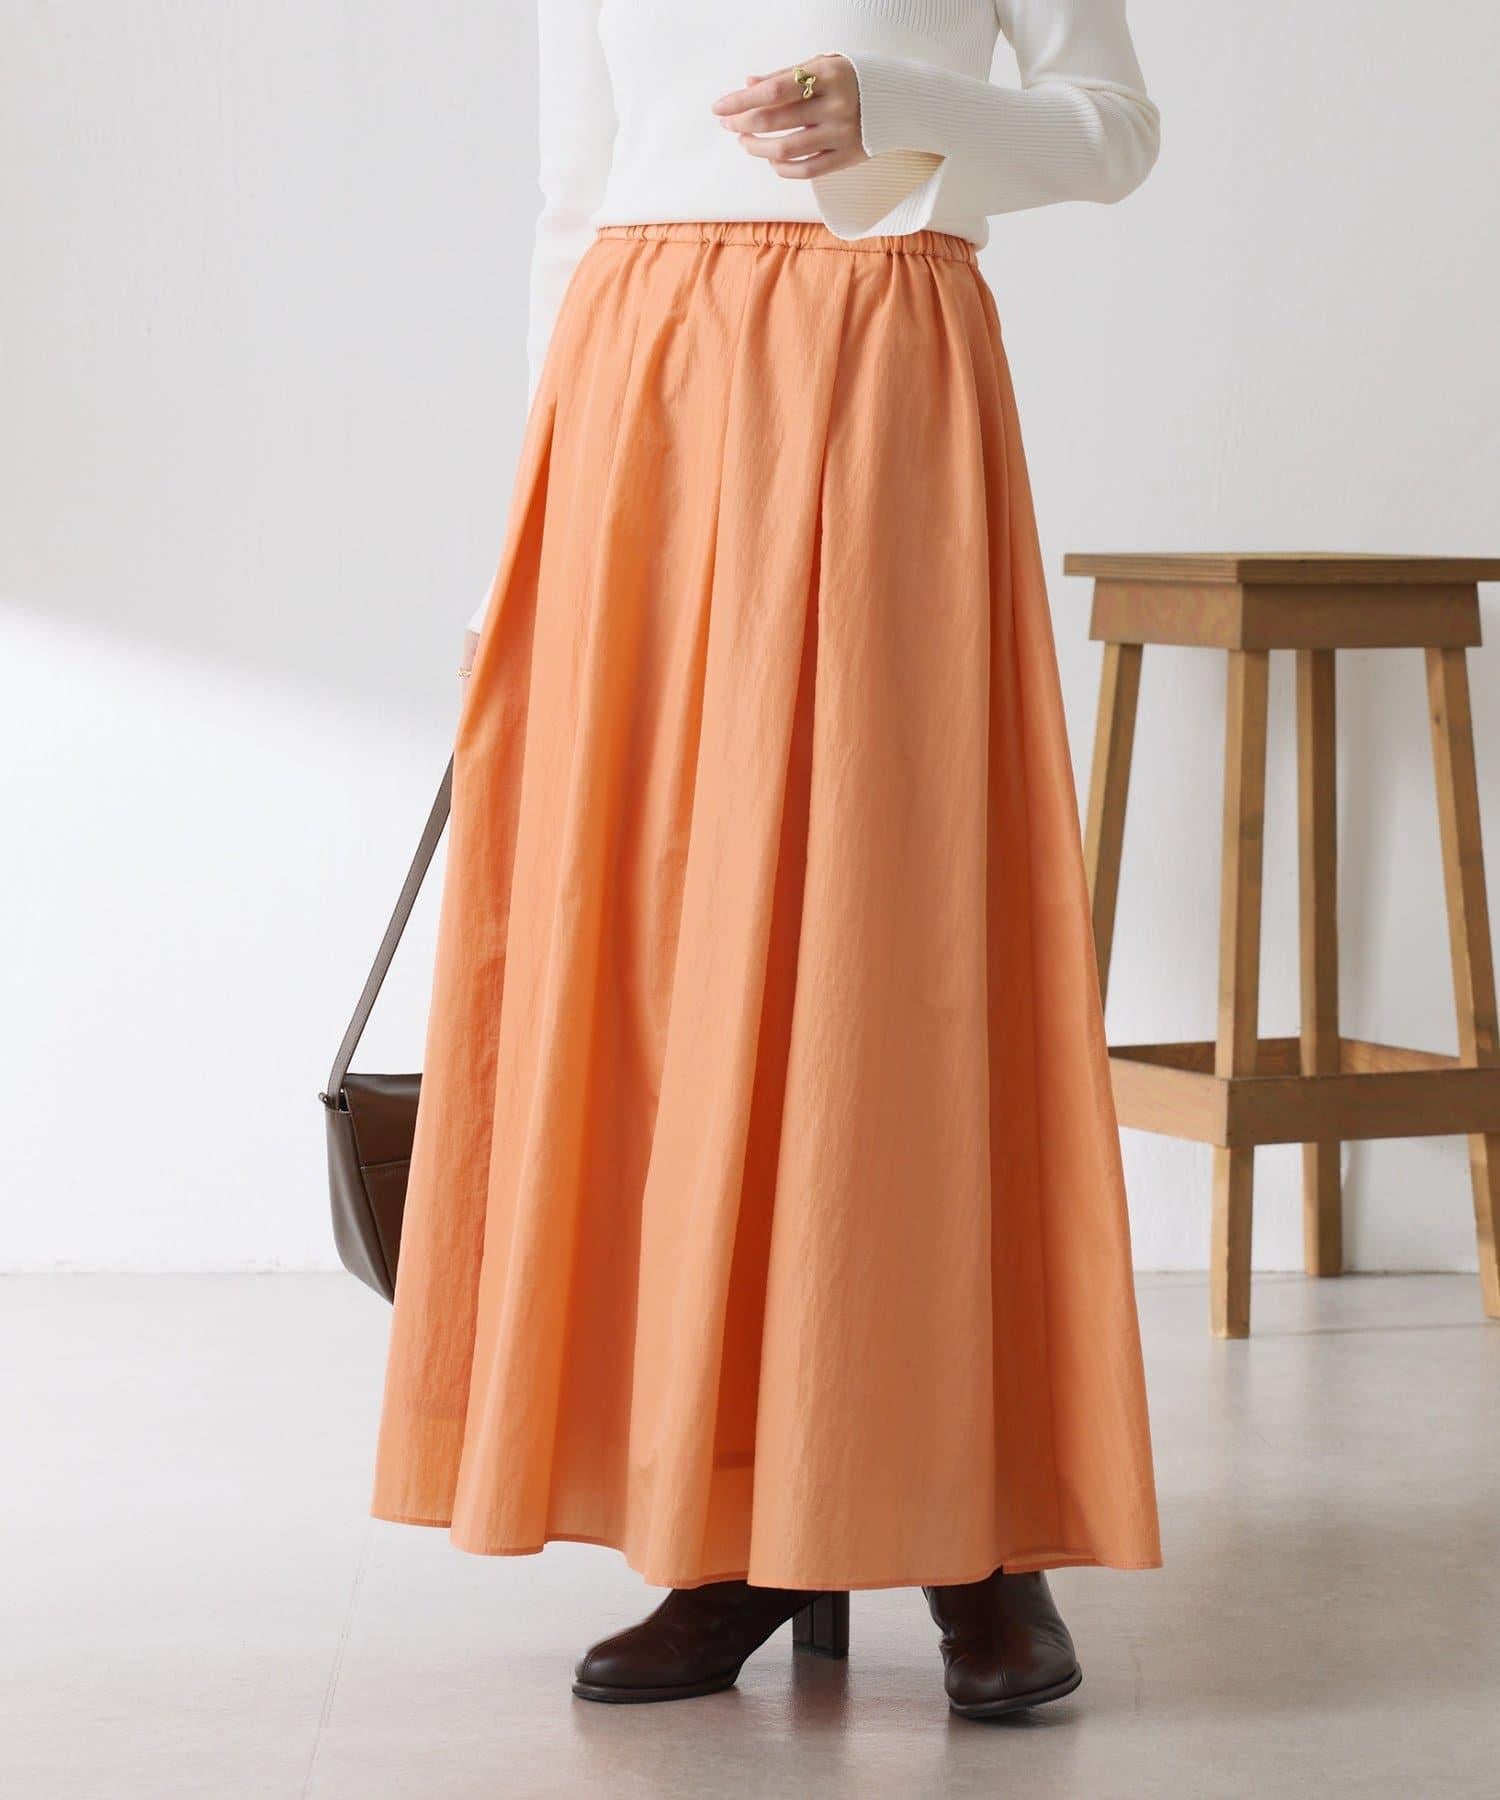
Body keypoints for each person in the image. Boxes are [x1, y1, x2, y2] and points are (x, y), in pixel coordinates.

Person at [372, 1, 1163, 1718]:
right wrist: (533, 535)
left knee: (901, 938)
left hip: (886, 369)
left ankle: (973, 1528)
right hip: (642, 396)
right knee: (675, 962)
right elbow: (572, 199)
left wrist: (901, 108)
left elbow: (1114, 130)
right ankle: (726, 1519)